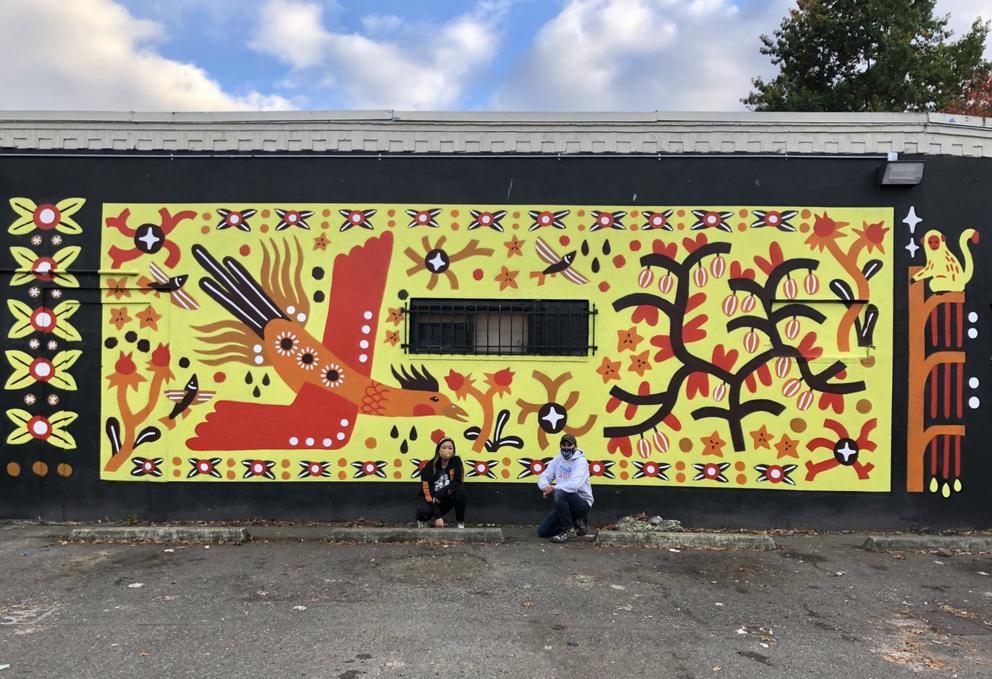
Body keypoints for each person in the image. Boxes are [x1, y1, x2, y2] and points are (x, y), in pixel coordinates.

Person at [536, 433, 593, 543]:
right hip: (564, 505)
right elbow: (544, 476)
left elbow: (574, 485)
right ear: (560, 446)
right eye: (564, 445)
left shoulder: (581, 462)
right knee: (542, 532)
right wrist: (545, 487)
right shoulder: (557, 459)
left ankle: (568, 529)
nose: (566, 448)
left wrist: (554, 488)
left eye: (569, 445)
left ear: (575, 447)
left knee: (560, 492)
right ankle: (575, 526)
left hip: (582, 503)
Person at [415, 437, 467, 528]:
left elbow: (458, 481)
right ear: (438, 450)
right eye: (443, 447)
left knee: (461, 492)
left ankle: (460, 523)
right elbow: (428, 493)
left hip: (443, 496)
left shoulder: (456, 461)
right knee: (423, 512)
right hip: (430, 499)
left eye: (450, 448)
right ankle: (423, 520)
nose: (447, 450)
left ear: (453, 451)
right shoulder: (430, 466)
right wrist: (438, 517)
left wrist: (440, 494)